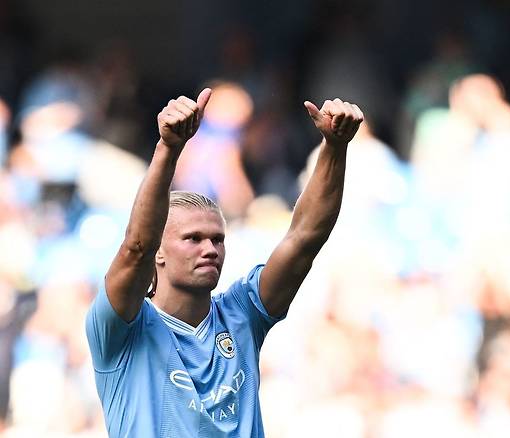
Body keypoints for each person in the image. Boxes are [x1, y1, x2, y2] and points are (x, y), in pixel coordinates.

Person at [85, 88, 364, 437]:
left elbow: (304, 239)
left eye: (217, 239)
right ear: (160, 250)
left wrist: (335, 149)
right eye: (193, 239)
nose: (210, 249)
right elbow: (135, 248)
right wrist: (168, 148)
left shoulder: (243, 315)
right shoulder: (121, 328)